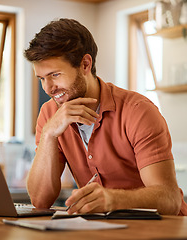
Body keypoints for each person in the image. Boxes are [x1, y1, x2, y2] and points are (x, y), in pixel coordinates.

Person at [24, 18, 187, 215]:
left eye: (55, 75)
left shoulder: (138, 111)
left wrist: (113, 199)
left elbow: (169, 199)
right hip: (106, 230)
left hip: (163, 229)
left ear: (85, 64)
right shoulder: (50, 114)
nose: (48, 88)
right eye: (41, 78)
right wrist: (49, 133)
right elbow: (40, 200)